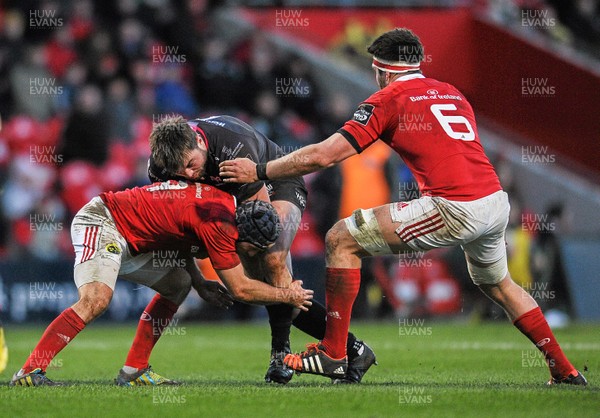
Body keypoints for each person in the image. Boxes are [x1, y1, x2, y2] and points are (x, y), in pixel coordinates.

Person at [218, 28, 587, 386]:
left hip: (454, 206)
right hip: (494, 202)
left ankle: (333, 353)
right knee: (501, 286)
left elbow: (325, 154)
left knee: (340, 238)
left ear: (383, 69)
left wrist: (260, 169)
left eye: (375, 71)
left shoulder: (389, 99)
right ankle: (564, 369)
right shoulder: (450, 92)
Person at [10, 181, 313, 386]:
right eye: (254, 249)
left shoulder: (224, 208)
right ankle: (29, 370)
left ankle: (134, 369)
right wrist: (287, 294)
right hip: (102, 221)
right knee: (96, 300)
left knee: (179, 283)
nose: (255, 257)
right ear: (243, 236)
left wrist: (198, 281)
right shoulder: (220, 225)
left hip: (131, 236)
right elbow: (241, 289)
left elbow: (180, 236)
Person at [148, 115, 377, 384]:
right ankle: (353, 349)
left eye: (190, 165)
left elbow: (263, 226)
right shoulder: (161, 167)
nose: (188, 175)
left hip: (276, 182)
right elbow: (177, 230)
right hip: (231, 202)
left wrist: (221, 240)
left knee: (271, 260)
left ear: (199, 141)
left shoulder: (233, 146)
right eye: (179, 172)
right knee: (261, 286)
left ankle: (280, 354)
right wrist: (198, 277)